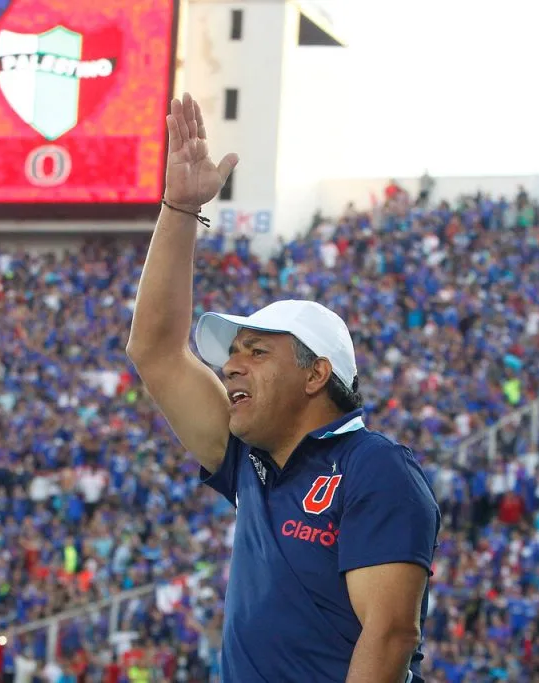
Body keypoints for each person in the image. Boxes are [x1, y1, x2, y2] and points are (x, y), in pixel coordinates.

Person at [126, 92, 441, 682]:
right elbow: (156, 351)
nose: (232, 367)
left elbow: (391, 633)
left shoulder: (375, 466)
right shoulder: (249, 461)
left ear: (316, 374)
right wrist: (180, 208)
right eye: (233, 354)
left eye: (256, 351)